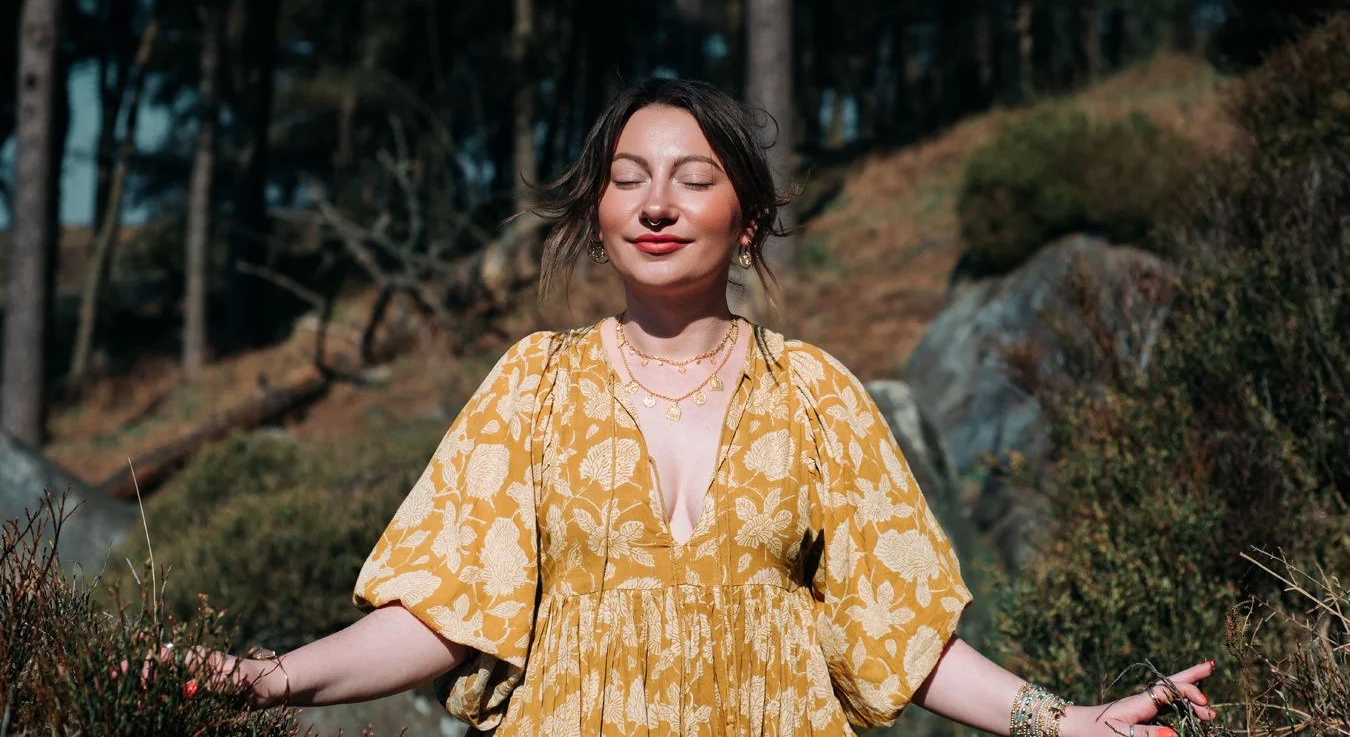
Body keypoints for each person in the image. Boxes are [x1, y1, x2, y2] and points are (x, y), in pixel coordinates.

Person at [203, 78, 1218, 735]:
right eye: (627, 180)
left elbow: (901, 633)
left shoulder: (816, 393)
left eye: (694, 180)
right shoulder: (533, 384)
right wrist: (266, 678)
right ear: (597, 217)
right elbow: (442, 615)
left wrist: (1063, 721)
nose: (656, 204)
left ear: (748, 223)